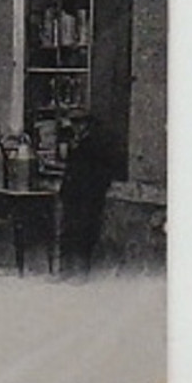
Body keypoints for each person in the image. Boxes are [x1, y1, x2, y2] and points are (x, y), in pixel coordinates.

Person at [58, 110, 120, 278]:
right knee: (67, 229)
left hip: (88, 194)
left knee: (84, 231)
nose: (76, 126)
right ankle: (65, 269)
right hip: (72, 191)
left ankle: (81, 271)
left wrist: (96, 188)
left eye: (79, 122)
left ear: (87, 123)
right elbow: (67, 162)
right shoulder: (75, 140)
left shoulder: (96, 142)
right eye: (74, 122)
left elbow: (102, 170)